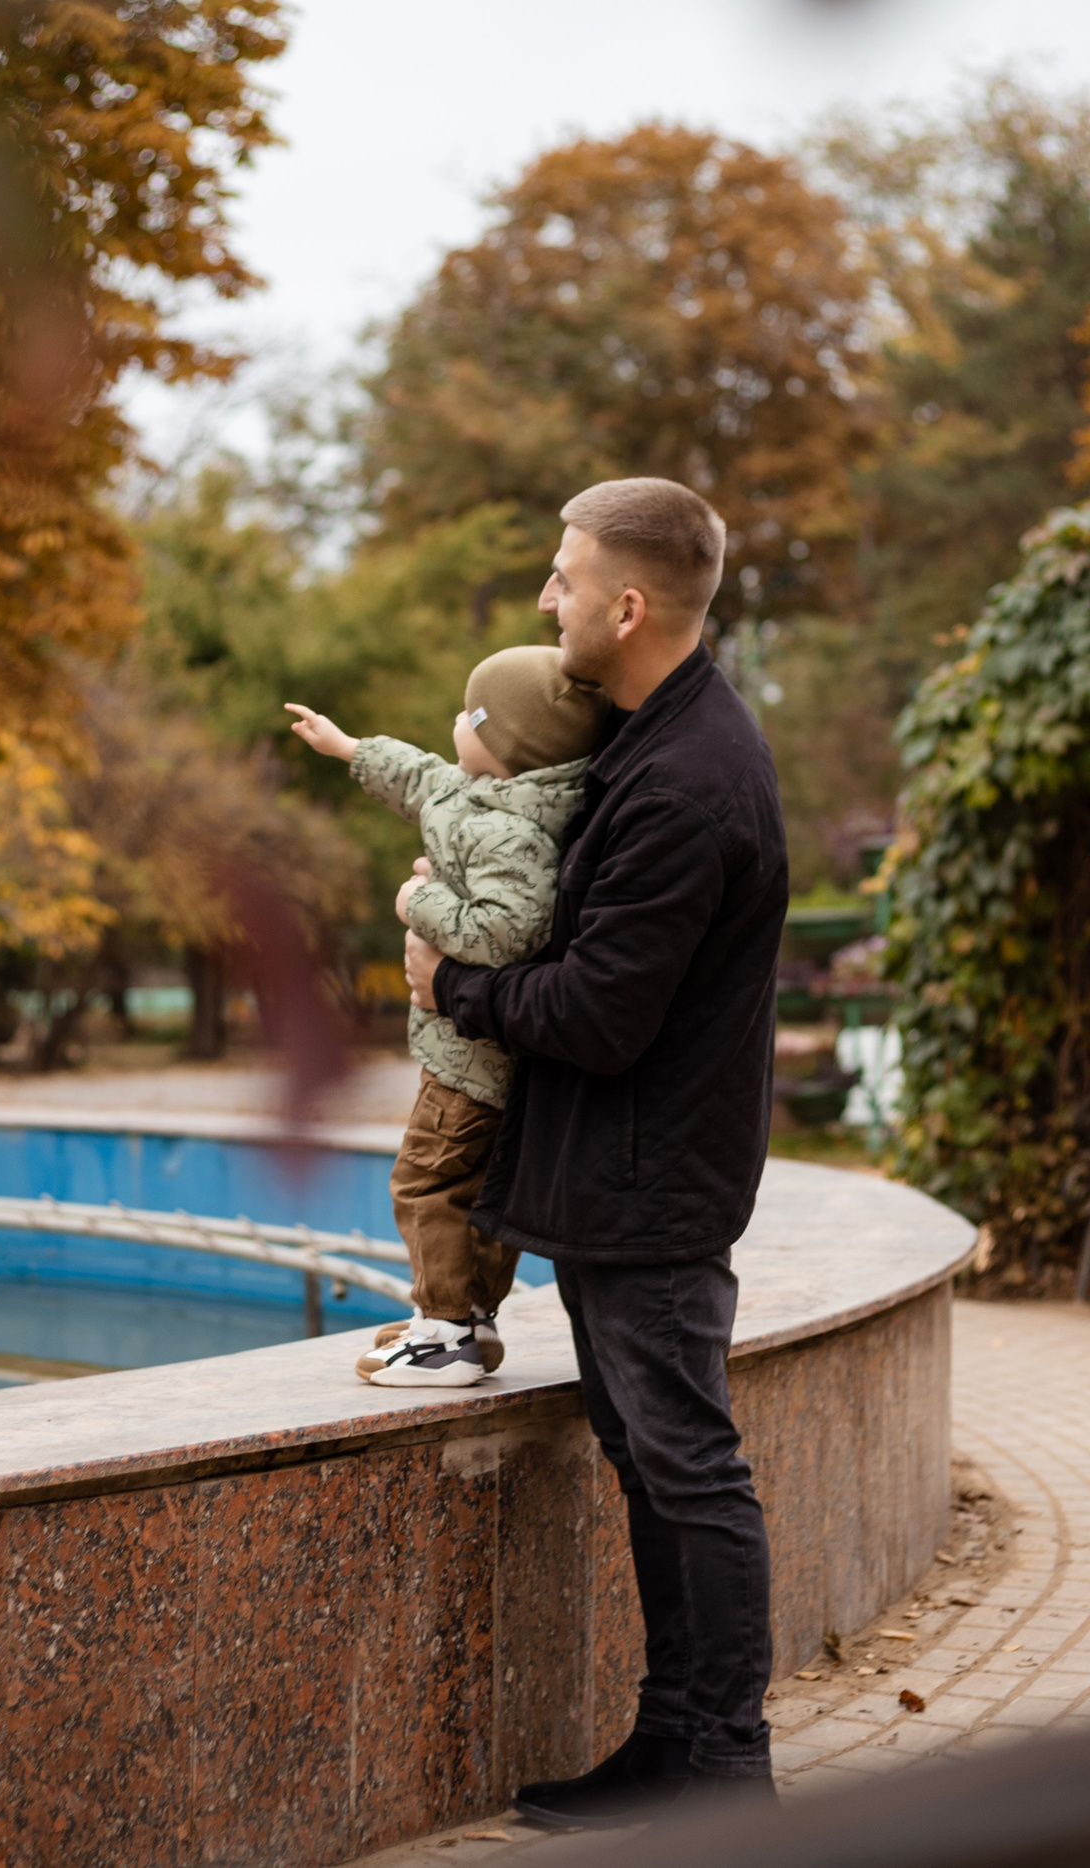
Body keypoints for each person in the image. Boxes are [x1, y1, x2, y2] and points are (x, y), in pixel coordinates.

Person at [404, 477, 788, 1827]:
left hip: (651, 1185)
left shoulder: (682, 785)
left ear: (629, 606)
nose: (545, 600)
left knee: (687, 1466)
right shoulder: (650, 746)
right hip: (625, 1176)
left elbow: (598, 1015)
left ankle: (724, 1770)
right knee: (653, 1460)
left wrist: (450, 982)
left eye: (563, 580)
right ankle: (676, 1747)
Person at [284, 648, 604, 1385]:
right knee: (476, 1189)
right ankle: (468, 1319)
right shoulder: (480, 795)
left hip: (472, 1055)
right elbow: (421, 777)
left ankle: (442, 1333)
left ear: (505, 742)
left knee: (425, 1183)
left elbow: (504, 931)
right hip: (473, 1047)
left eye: (469, 714)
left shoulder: (512, 835)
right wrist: (350, 748)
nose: (454, 723)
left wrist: (415, 902)